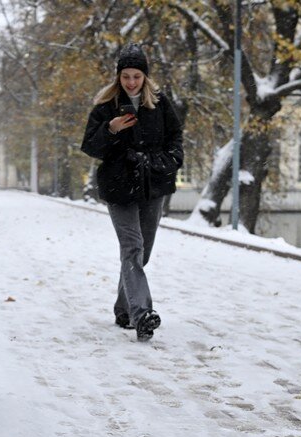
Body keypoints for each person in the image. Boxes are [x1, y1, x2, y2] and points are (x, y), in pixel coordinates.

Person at [80, 43, 184, 341]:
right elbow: (90, 147)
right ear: (118, 77)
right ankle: (142, 314)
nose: (131, 82)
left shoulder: (160, 104)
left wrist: (164, 162)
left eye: (136, 76)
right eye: (126, 76)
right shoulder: (105, 107)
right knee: (133, 248)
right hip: (119, 186)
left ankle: (123, 309)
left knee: (142, 253)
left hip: (154, 185)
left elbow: (176, 139)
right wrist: (110, 130)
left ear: (145, 77)